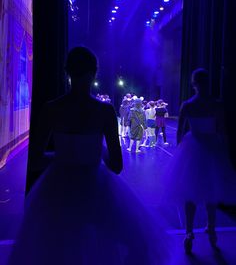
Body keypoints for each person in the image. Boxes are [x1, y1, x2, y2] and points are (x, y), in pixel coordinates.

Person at [8, 46, 171, 265]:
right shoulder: (104, 112)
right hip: (96, 188)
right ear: (94, 73)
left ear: (67, 72)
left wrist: (64, 156)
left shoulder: (51, 109)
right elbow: (116, 166)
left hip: (57, 189)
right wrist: (93, 154)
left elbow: (36, 160)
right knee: (128, 244)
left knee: (58, 250)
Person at [163, 68, 236, 254]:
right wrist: (224, 151)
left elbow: (180, 132)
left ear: (193, 84)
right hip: (211, 148)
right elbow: (223, 131)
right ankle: (211, 230)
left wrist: (180, 153)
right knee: (211, 190)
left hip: (193, 148)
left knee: (191, 192)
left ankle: (189, 232)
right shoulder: (216, 105)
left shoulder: (187, 105)